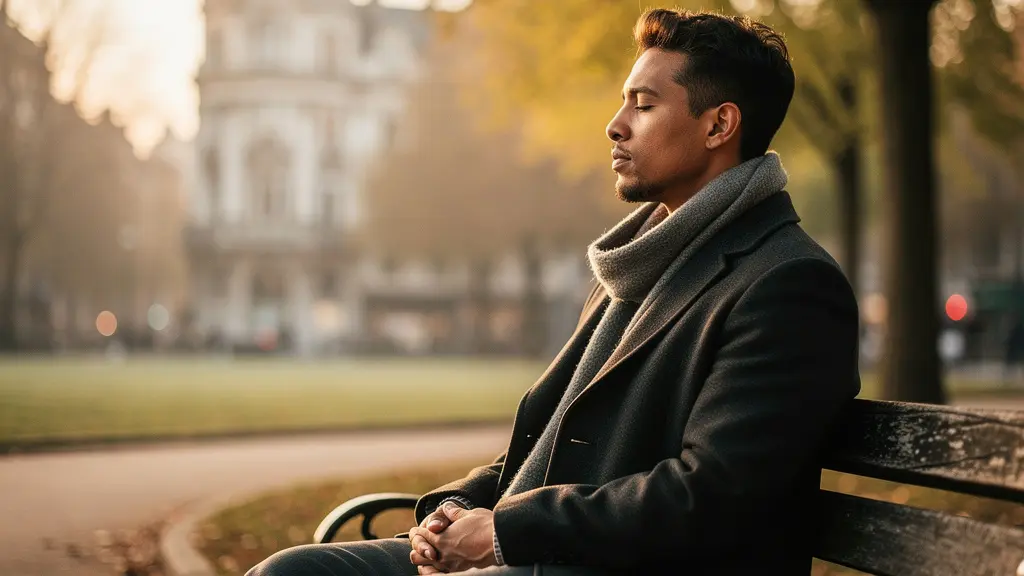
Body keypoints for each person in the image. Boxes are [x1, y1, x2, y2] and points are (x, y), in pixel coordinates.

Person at [248, 8, 860, 576]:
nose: (614, 126)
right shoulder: (636, 265)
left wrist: (506, 533)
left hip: (592, 564)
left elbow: (712, 498)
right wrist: (461, 505)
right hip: (540, 553)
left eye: (643, 105)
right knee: (290, 570)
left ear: (719, 124)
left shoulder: (788, 285)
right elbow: (549, 443)